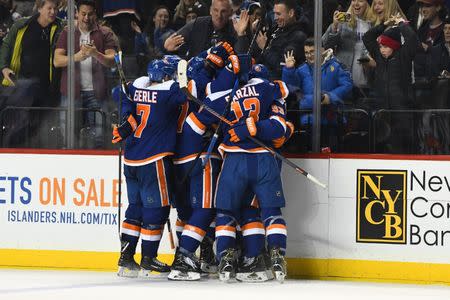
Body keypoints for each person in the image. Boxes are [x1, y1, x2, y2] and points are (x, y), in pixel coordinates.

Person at [112, 58, 187, 278]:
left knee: (134, 208)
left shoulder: (136, 86)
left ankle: (126, 258)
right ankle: (148, 258)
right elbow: (188, 95)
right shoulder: (170, 91)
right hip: (153, 159)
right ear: (166, 76)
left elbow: (120, 94)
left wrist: (127, 115)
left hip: (131, 158)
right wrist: (184, 73)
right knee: (158, 209)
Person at [54, 0, 117, 149]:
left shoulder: (105, 32)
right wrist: (77, 56)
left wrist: (95, 54)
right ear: (76, 12)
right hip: (71, 92)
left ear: (95, 14)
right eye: (83, 14)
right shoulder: (67, 32)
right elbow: (57, 61)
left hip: (97, 93)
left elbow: (112, 61)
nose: (86, 18)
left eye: (90, 14)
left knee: (99, 138)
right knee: (68, 137)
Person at [0, 0, 64, 147]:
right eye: (49, 8)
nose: (53, 12)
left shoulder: (61, 27)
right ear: (40, 8)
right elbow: (6, 46)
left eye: (55, 8)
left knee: (42, 127)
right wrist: (4, 67)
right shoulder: (22, 25)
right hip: (23, 86)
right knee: (21, 125)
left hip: (48, 87)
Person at [283, 37, 353, 151]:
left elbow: (347, 85)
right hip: (308, 122)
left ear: (322, 50)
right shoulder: (301, 70)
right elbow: (291, 89)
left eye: (312, 52)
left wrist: (330, 97)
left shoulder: (336, 66)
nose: (309, 55)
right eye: (306, 52)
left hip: (332, 121)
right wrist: (289, 70)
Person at [363, 13, 418, 153]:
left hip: (402, 111)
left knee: (402, 147)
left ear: (394, 46)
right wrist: (384, 25)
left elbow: (412, 39)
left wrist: (401, 24)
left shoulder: (404, 56)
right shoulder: (379, 56)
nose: (382, 50)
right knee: (383, 146)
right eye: (380, 46)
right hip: (383, 111)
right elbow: (367, 37)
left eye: (385, 46)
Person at [323, 0, 374, 99]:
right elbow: (325, 44)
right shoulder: (343, 22)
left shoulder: (373, 23)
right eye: (354, 0)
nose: (356, 3)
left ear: (367, 4)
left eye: (360, 1)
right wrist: (334, 26)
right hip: (344, 77)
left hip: (366, 77)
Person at [251, 0, 307, 79]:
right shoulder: (275, 29)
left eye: (278, 14)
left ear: (291, 13)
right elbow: (257, 54)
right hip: (260, 76)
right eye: (274, 13)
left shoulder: (298, 37)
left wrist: (265, 49)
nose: (275, 18)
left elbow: (281, 67)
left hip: (279, 85)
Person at [163, 0, 235, 58]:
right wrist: (168, 45)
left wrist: (241, 35)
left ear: (231, 12)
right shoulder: (197, 23)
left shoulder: (236, 28)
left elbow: (241, 58)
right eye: (216, 10)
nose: (219, 15)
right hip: (194, 71)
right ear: (210, 10)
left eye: (223, 11)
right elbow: (170, 43)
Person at [414, 0, 447, 78]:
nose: (423, 10)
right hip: (421, 81)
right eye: (422, 6)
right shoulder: (420, 32)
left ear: (438, 7)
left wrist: (429, 49)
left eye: (427, 6)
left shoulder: (446, 30)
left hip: (440, 82)